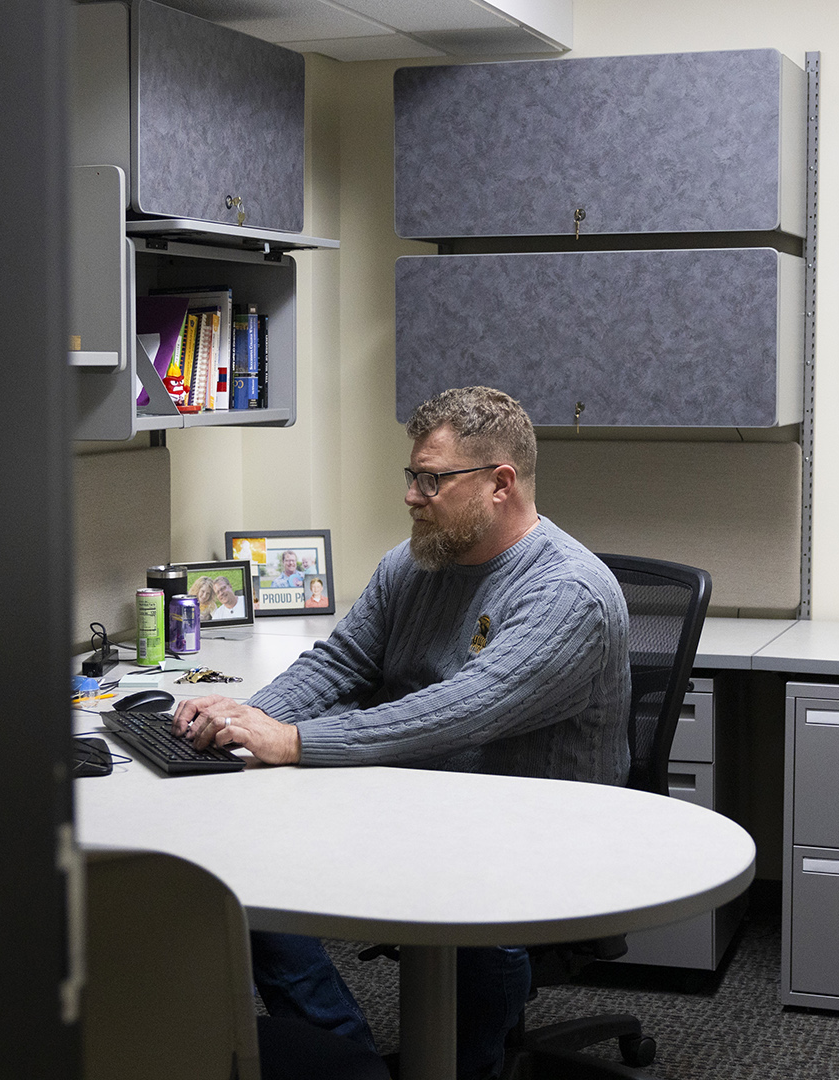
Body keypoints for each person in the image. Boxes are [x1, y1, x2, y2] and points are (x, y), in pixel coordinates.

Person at [174, 386, 630, 1080]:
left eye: (432, 480)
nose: (412, 496)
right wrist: (243, 718)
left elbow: (462, 711)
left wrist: (294, 743)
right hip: (418, 807)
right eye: (412, 476)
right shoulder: (413, 565)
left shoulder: (569, 595)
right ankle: (350, 1059)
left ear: (500, 483)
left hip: (531, 843)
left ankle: (464, 1062)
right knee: (232, 863)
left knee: (471, 915)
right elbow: (340, 663)